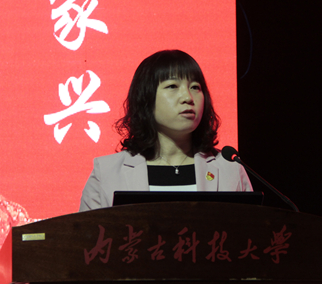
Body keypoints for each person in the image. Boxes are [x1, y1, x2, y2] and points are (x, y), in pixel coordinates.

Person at [79, 49, 252, 211]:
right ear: (145, 97)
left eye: (195, 87)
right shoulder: (107, 173)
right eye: (172, 86)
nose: (188, 98)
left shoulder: (230, 169)